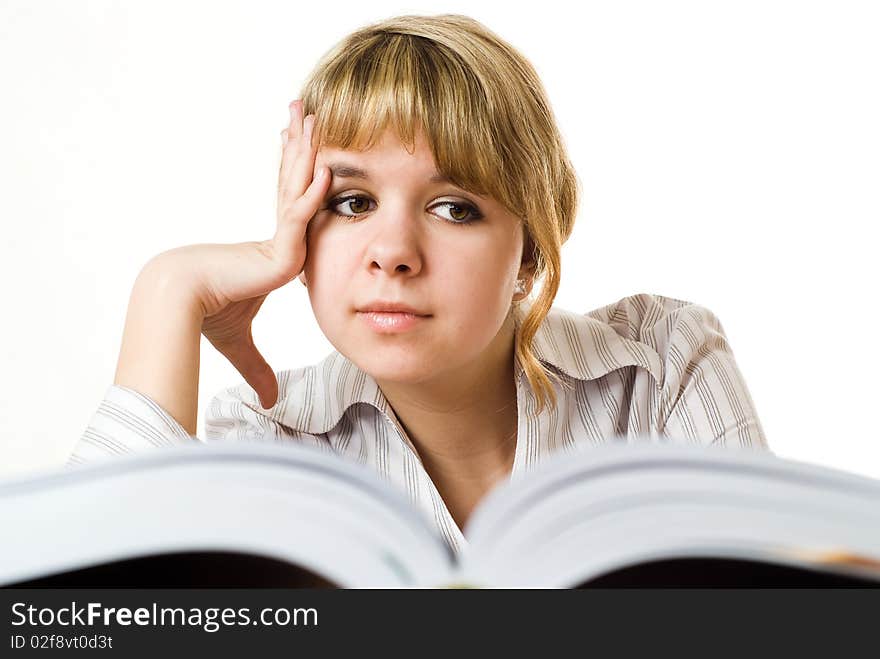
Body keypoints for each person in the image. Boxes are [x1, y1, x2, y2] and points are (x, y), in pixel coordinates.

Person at [67, 14, 768, 553]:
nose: (393, 254)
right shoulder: (266, 439)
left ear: (529, 253)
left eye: (454, 207)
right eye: (351, 202)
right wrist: (169, 288)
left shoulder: (662, 369)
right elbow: (72, 620)